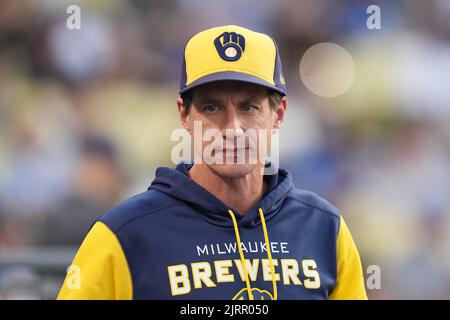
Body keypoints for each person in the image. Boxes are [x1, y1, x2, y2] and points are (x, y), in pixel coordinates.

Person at [57, 25, 367, 300]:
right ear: (184, 115)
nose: (232, 128)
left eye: (248, 107)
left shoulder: (325, 228)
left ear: (279, 114)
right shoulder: (124, 234)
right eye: (212, 107)